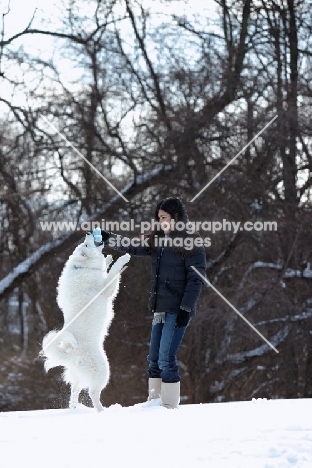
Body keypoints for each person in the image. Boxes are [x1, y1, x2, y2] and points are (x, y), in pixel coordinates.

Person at [97, 197, 206, 408]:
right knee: (154, 360)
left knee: (166, 359)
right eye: (159, 218)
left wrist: (186, 307)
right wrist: (108, 237)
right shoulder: (156, 240)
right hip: (160, 309)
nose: (161, 221)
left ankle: (168, 408)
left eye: (164, 217)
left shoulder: (191, 242)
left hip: (177, 310)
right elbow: (133, 246)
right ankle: (154, 405)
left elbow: (196, 279)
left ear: (176, 217)